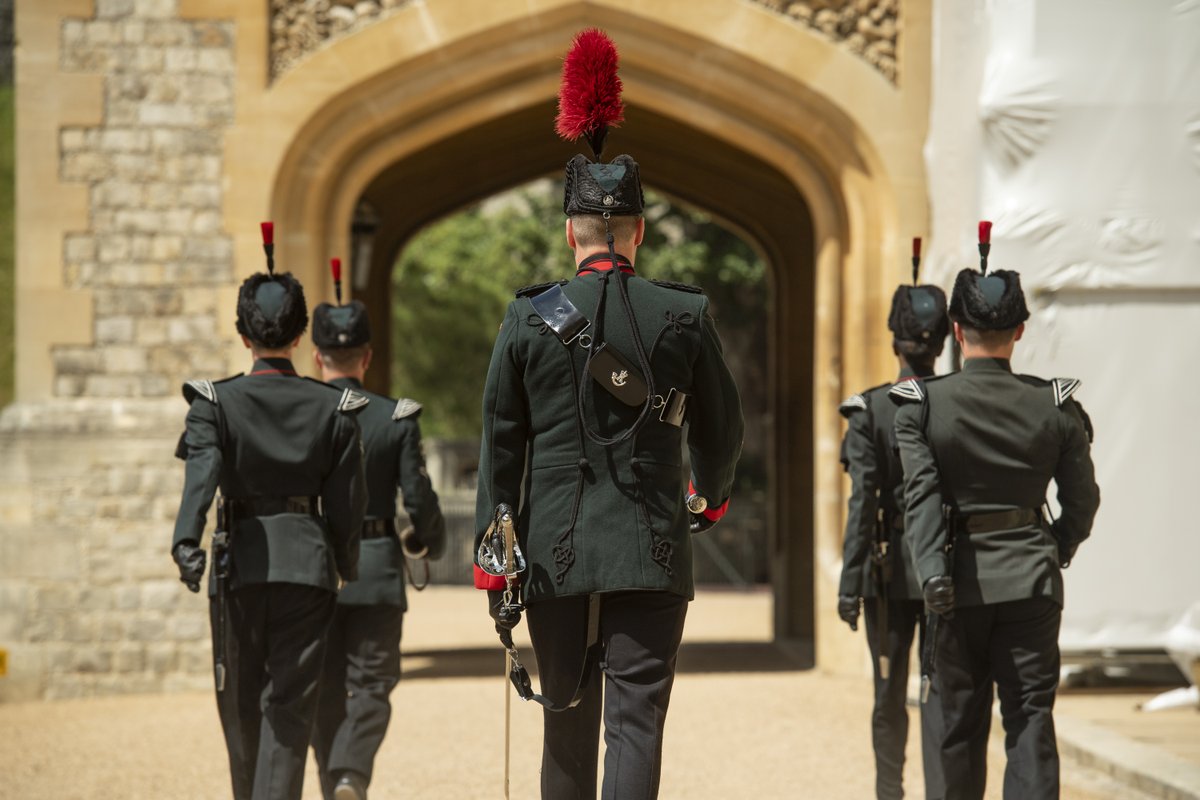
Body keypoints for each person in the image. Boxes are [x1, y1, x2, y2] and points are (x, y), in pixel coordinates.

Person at [473, 29, 744, 800]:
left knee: (565, 718)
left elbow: (501, 440)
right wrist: (709, 496)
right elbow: (722, 426)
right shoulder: (683, 312)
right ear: (639, 231)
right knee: (636, 723)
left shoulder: (528, 317)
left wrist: (494, 547)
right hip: (652, 545)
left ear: (571, 232)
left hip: (552, 551)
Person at [892, 222, 1100, 800]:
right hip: (1032, 578)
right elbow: (1082, 499)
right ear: (1020, 331)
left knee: (956, 726)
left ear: (957, 331)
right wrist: (1057, 544)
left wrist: (932, 573)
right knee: (1030, 720)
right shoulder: (1053, 404)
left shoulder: (922, 405)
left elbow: (921, 495)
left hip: (954, 584)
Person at [171, 223, 368, 800]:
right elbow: (348, 504)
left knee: (239, 709)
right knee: (288, 710)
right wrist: (344, 563)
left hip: (237, 565)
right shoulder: (336, 407)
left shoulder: (214, 403)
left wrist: (186, 542)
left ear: (242, 335)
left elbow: (202, 475)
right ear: (303, 335)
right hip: (307, 568)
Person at [308, 260, 447, 800]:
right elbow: (418, 496)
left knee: (323, 687)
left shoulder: (302, 416)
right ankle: (350, 775)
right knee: (373, 683)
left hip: (315, 567)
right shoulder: (395, 418)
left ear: (316, 356)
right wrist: (429, 540)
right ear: (367, 357)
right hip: (376, 569)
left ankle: (336, 782)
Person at [836, 238, 947, 800]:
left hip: (889, 569)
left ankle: (889, 793)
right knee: (941, 694)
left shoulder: (872, 408)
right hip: (949, 566)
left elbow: (862, 502)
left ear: (892, 339)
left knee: (888, 693)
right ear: (945, 340)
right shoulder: (956, 401)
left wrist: (849, 582)